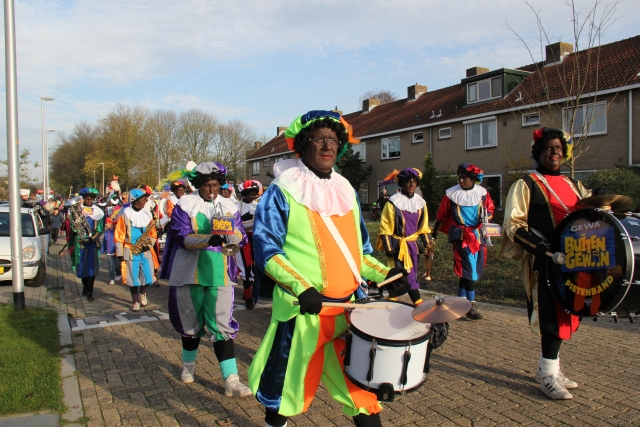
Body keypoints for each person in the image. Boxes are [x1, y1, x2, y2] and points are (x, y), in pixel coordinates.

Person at [248, 110, 409, 427]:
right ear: (303, 144)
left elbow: (359, 253)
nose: (327, 146)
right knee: (285, 394)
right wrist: (301, 287)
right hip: (303, 315)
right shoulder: (282, 191)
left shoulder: (346, 190)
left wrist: (386, 274)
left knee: (362, 393)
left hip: (348, 314)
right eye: (319, 139)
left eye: (333, 140)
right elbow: (267, 251)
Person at [502, 127, 590, 400]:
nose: (555, 152)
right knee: (552, 316)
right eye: (549, 148)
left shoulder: (575, 185)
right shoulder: (526, 184)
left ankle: (547, 367)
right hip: (548, 262)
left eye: (558, 148)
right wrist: (542, 249)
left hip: (576, 261)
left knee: (570, 313)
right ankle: (548, 376)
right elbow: (513, 225)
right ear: (539, 152)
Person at [160, 162, 252, 398]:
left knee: (222, 325)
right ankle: (188, 366)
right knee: (191, 327)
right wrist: (209, 238)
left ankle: (231, 380)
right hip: (190, 271)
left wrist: (232, 234)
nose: (212, 190)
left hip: (219, 272)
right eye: (207, 185)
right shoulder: (185, 206)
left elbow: (240, 235)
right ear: (198, 185)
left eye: (215, 185)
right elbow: (181, 235)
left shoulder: (228, 205)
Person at [432, 163, 494, 320]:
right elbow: (442, 213)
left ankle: (460, 303)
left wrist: (487, 217)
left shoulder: (482, 194)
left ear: (472, 178)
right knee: (469, 268)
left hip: (477, 235)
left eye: (464, 178)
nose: (461, 181)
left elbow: (490, 210)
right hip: (460, 235)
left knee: (468, 269)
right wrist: (434, 232)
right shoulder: (452, 194)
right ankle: (471, 304)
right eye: (459, 178)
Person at [376, 168, 431, 305]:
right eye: (408, 182)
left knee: (411, 273)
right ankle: (418, 303)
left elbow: (423, 226)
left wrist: (428, 244)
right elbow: (386, 226)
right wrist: (388, 247)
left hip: (413, 246)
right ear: (402, 183)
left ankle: (392, 298)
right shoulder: (393, 202)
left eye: (414, 182)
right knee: (405, 274)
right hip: (398, 246)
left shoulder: (420, 203)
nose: (411, 185)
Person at [114, 188, 157, 311]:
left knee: (147, 276)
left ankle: (143, 293)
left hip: (145, 249)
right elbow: (119, 234)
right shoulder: (125, 215)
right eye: (143, 199)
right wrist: (120, 252)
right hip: (130, 250)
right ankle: (135, 301)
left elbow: (153, 233)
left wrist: (148, 244)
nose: (145, 201)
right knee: (133, 278)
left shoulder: (148, 214)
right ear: (135, 200)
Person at [73, 187, 105, 302]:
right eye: (87, 199)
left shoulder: (99, 212)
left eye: (91, 199)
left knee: (91, 269)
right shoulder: (78, 211)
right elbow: (74, 227)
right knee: (82, 268)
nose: (88, 201)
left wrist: (92, 239)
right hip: (81, 244)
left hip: (93, 244)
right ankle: (84, 286)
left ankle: (90, 291)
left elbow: (100, 229)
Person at [236, 180, 262, 309]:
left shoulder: (258, 206)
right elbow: (236, 226)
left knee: (255, 267)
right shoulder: (236, 206)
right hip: (242, 240)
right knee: (246, 267)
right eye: (249, 194)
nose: (252, 197)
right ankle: (248, 296)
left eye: (254, 194)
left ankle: (252, 293)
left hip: (255, 239)